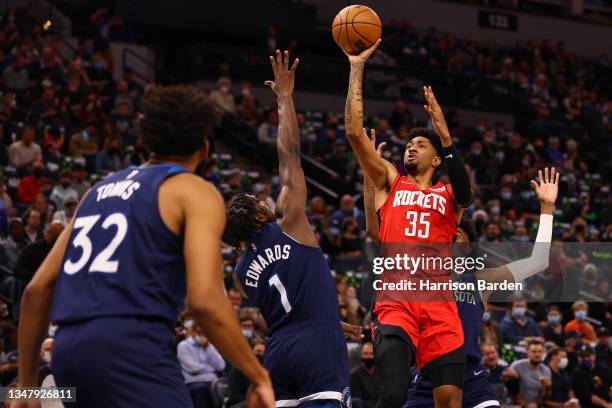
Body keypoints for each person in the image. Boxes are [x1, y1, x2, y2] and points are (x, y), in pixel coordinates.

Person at [15, 85, 274, 408]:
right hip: (131, 351)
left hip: (67, 354)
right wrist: (258, 375)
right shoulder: (195, 191)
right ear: (205, 147)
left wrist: (26, 386)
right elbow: (205, 300)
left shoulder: (96, 192)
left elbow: (37, 290)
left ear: (144, 141)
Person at [364, 130, 559, 408]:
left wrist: (547, 209)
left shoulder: (479, 281)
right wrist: (370, 173)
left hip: (473, 381)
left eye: (457, 241)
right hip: (425, 380)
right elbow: (376, 229)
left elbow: (539, 260)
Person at [343, 39, 472, 407]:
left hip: (440, 305)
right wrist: (356, 67)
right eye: (408, 144)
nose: (410, 148)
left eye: (420, 144)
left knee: (448, 401)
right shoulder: (390, 181)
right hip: (396, 302)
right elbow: (354, 133)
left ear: (436, 160)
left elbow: (466, 194)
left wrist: (446, 139)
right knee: (395, 395)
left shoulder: (449, 196)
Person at [228, 51, 351, 408]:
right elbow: (290, 153)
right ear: (256, 217)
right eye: (258, 200)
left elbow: (291, 308)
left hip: (279, 351)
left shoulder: (238, 272)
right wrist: (284, 98)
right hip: (318, 344)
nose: (266, 200)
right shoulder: (291, 223)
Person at [177, 323, 226, 408]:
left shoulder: (209, 345)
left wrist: (207, 348)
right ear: (192, 332)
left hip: (212, 382)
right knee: (201, 388)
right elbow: (193, 368)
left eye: (204, 333)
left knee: (222, 386)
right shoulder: (183, 346)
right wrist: (213, 370)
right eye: (199, 332)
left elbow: (221, 366)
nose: (202, 335)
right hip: (193, 383)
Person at [504, 340, 551, 407]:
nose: (537, 354)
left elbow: (544, 397)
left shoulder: (546, 370)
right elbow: (509, 389)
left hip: (537, 405)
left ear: (543, 354)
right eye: (534, 352)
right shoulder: (516, 366)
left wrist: (548, 387)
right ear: (528, 353)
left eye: (540, 352)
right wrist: (525, 405)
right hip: (517, 405)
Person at [349, 342, 381, 408]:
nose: (368, 356)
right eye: (365, 354)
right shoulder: (354, 375)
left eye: (371, 354)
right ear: (361, 355)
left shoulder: (381, 372)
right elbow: (357, 400)